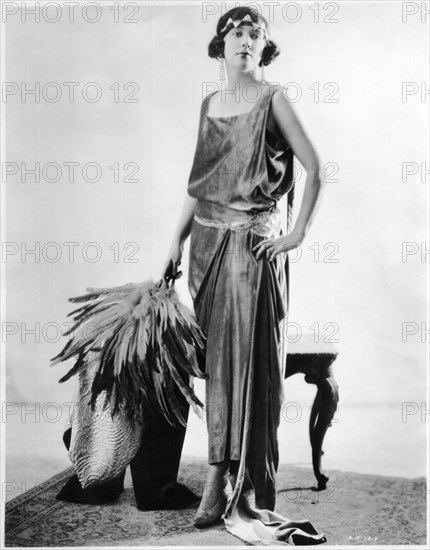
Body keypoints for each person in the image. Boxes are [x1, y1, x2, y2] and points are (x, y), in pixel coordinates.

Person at [162, 6, 327, 546]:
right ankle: (218, 470)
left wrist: (295, 234)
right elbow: (199, 184)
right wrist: (175, 243)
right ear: (220, 45)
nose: (246, 41)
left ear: (266, 49)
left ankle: (233, 485)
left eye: (256, 35)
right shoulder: (210, 105)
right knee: (215, 363)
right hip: (207, 248)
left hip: (251, 249)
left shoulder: (274, 98)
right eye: (236, 32)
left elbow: (316, 167)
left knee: (246, 367)